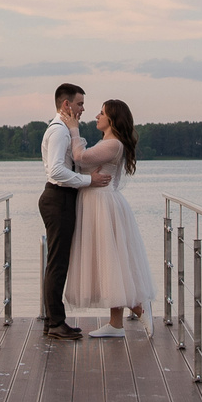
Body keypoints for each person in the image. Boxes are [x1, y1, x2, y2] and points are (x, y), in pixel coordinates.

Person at [66, 99, 155, 338]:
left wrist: (74, 128)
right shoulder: (109, 142)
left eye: (102, 113)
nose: (96, 116)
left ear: (112, 120)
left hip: (102, 205)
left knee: (109, 259)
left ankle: (138, 307)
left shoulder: (113, 144)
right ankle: (116, 324)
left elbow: (79, 157)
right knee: (109, 263)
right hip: (97, 203)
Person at [37, 83, 108, 341]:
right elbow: (56, 171)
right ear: (66, 104)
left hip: (61, 198)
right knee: (58, 262)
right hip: (58, 199)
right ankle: (56, 322)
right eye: (79, 103)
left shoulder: (66, 130)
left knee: (57, 261)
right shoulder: (59, 132)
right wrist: (90, 181)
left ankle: (52, 320)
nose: (83, 108)